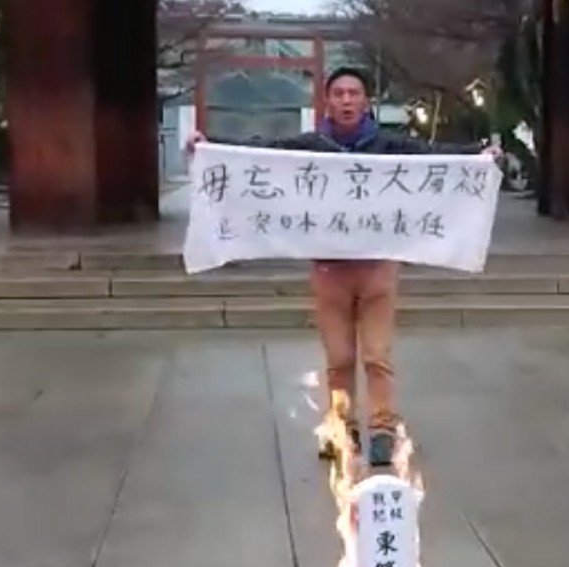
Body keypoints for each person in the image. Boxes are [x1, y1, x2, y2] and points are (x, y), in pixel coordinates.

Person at [186, 66, 500, 467]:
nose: (347, 100)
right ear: (328, 100)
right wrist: (210, 145)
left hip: (378, 267)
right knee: (338, 357)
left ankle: (384, 427)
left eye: (354, 93)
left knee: (377, 354)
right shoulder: (312, 145)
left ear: (366, 100)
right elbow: (261, 153)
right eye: (339, 93)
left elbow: (432, 156)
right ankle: (341, 425)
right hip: (330, 269)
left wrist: (478, 155)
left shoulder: (387, 146)